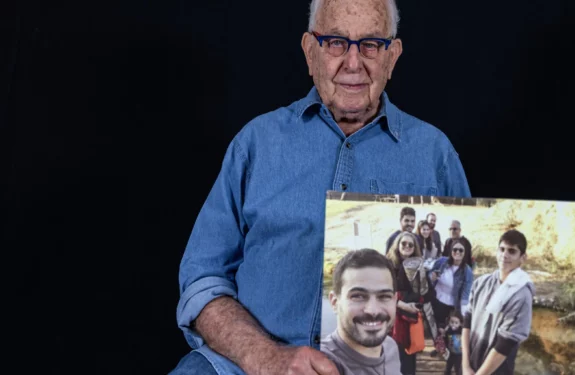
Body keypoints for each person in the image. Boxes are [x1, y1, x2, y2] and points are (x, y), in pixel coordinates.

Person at [170, 0, 471, 373]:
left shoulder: (434, 154)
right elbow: (203, 280)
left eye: (371, 44)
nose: (353, 63)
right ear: (310, 51)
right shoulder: (257, 143)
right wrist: (264, 357)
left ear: (392, 56)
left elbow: (460, 289)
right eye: (336, 43)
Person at [461, 230, 535, 375]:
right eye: (502, 249)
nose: (504, 255)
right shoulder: (481, 283)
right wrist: (465, 365)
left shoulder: (521, 295)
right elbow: (467, 322)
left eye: (512, 251)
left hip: (496, 370)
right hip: (470, 365)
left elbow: (505, 344)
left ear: (523, 257)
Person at [321, 249, 402, 375]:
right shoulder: (320, 363)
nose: (373, 311)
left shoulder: (390, 346)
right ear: (334, 302)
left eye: (384, 296)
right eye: (358, 296)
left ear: (395, 300)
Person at [386, 231, 429, 375]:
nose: (407, 246)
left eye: (411, 244)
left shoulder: (418, 266)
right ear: (397, 245)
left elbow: (422, 293)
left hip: (409, 318)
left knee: (409, 358)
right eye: (403, 243)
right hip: (391, 318)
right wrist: (401, 303)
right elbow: (382, 293)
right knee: (390, 355)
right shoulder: (388, 265)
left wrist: (413, 303)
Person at [429, 237, 473, 356]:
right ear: (451, 251)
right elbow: (430, 271)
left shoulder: (467, 271)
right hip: (438, 299)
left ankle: (452, 352)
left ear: (465, 253)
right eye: (455, 249)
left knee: (452, 328)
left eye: (461, 250)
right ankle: (439, 348)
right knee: (438, 326)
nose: (457, 252)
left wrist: (462, 312)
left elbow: (466, 293)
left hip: (453, 304)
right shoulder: (442, 261)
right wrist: (431, 277)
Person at [443, 311, 464, 375]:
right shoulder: (448, 330)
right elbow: (445, 340)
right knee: (448, 368)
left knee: (458, 369)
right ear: (449, 322)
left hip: (459, 354)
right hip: (450, 353)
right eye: (452, 322)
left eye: (456, 323)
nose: (453, 324)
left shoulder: (461, 331)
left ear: (460, 323)